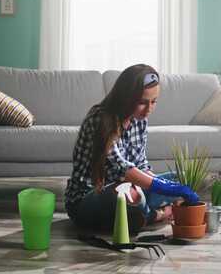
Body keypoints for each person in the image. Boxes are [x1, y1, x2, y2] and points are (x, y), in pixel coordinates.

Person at [64, 64, 199, 232]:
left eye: (154, 101)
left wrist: (171, 185)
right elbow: (124, 170)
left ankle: (139, 213)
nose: (149, 109)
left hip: (129, 187)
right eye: (142, 102)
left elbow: (141, 166)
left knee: (182, 178)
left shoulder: (140, 119)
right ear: (126, 97)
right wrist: (167, 189)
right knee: (129, 192)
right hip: (89, 198)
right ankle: (153, 215)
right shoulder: (100, 119)